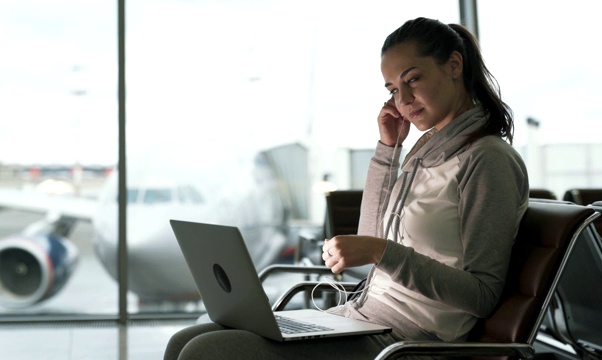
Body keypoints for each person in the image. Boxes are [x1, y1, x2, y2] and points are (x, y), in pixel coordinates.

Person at [163, 17, 529, 360]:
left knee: (205, 352)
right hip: (363, 315)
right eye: (392, 89)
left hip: (412, 341)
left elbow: (481, 296)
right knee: (184, 340)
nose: (402, 100)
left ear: (454, 65)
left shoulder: (488, 160)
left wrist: (381, 251)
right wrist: (388, 150)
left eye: (412, 79)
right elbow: (370, 240)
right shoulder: (424, 151)